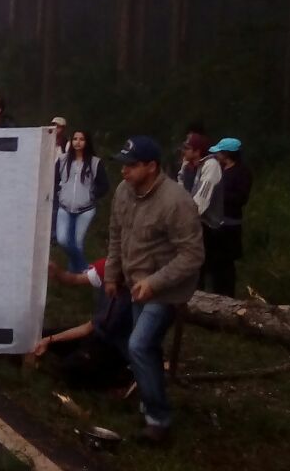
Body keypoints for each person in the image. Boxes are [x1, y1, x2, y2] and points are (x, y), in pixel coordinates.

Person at [106, 136, 203, 443]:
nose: (124, 172)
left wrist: (155, 282)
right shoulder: (123, 192)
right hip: (136, 284)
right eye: (123, 165)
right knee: (143, 346)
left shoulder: (176, 202)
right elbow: (116, 235)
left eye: (132, 166)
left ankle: (159, 420)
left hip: (168, 290)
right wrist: (112, 274)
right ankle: (149, 399)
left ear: (152, 167)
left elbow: (192, 255)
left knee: (138, 345)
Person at [34, 258, 134, 390]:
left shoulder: (131, 287)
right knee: (39, 336)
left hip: (116, 348)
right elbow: (74, 279)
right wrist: (57, 273)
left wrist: (51, 340)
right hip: (95, 334)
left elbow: (87, 328)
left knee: (69, 370)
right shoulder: (109, 266)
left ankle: (119, 378)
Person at [55, 130, 110, 273]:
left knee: (77, 243)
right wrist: (58, 194)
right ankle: (84, 268)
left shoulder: (94, 162)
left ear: (87, 142)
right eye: (75, 139)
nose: (77, 142)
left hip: (86, 208)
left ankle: (73, 275)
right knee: (62, 239)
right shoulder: (62, 160)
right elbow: (54, 181)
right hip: (65, 207)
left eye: (81, 139)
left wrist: (92, 195)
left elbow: (104, 185)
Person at [179, 132, 225, 293]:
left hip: (209, 226)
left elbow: (202, 200)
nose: (183, 150)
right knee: (192, 267)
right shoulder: (189, 166)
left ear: (198, 151)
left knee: (207, 269)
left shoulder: (211, 166)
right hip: (193, 223)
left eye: (187, 147)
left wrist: (181, 218)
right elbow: (180, 191)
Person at [205, 138, 250, 297]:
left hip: (231, 226)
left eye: (219, 152)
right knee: (215, 264)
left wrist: (219, 196)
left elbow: (241, 198)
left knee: (227, 265)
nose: (216, 155)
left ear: (227, 154)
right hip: (216, 224)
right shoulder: (221, 170)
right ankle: (215, 297)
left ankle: (228, 298)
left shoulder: (242, 172)